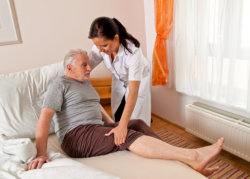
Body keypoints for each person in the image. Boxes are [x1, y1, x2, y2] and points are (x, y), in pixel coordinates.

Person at [27, 49, 224, 176]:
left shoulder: (86, 85)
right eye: (84, 65)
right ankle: (191, 157)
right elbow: (45, 117)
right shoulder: (59, 84)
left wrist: (115, 125)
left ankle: (182, 162)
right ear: (69, 67)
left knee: (135, 123)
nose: (89, 68)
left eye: (89, 64)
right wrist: (41, 153)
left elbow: (96, 108)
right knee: (126, 136)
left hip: (95, 128)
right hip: (76, 137)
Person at [88, 17, 151, 146]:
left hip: (139, 80)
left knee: (134, 117)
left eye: (104, 45)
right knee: (118, 114)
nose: (100, 50)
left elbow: (133, 91)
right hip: (120, 79)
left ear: (116, 38)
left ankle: (144, 138)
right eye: (96, 45)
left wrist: (123, 126)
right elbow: (86, 67)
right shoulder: (100, 46)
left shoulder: (133, 52)